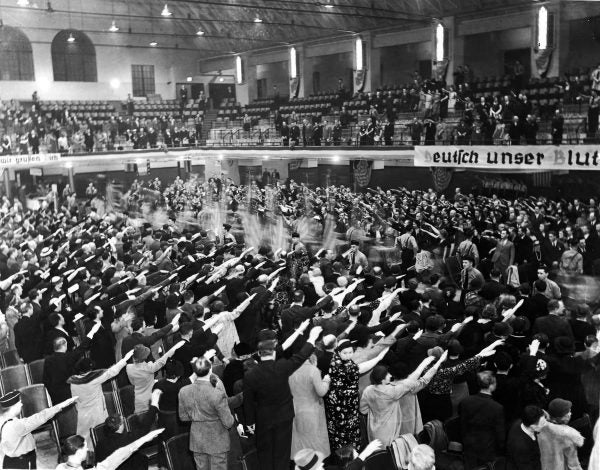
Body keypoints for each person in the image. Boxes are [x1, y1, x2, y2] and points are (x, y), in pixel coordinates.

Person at [243, 326, 322, 470]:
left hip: (263, 418)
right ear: (273, 353)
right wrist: (312, 337)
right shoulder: (282, 366)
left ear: (259, 354)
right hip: (284, 416)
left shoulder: (250, 375)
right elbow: (301, 356)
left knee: (265, 452)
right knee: (282, 452)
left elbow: (248, 401)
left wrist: (249, 423)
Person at [360, 353, 447, 446]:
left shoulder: (369, 390)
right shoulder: (397, 390)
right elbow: (421, 380)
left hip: (376, 431)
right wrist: (435, 362)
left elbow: (363, 410)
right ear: (383, 380)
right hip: (402, 428)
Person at [325, 338, 389, 452]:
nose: (348, 355)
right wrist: (378, 358)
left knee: (343, 427)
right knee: (344, 427)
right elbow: (360, 368)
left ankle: (345, 452)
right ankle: (346, 454)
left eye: (350, 352)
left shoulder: (337, 360)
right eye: (345, 353)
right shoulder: (341, 365)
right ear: (339, 352)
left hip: (344, 401)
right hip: (341, 402)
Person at [68, 349, 134, 446]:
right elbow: (113, 371)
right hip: (97, 414)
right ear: (90, 370)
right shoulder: (94, 379)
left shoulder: (73, 382)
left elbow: (75, 400)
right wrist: (125, 359)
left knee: (84, 444)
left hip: (83, 415)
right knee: (100, 441)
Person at [178, 355, 234, 470]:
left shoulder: (183, 391)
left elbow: (183, 417)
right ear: (210, 369)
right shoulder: (217, 393)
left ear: (195, 371)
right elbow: (228, 422)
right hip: (217, 440)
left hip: (197, 440)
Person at [0, 391, 77, 469]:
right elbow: (40, 417)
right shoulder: (16, 425)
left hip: (9, 461)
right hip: (23, 462)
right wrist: (61, 405)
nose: (21, 404)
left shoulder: (3, 420)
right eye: (19, 403)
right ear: (13, 407)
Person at [458, 371, 505, 469]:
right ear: (491, 386)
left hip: (468, 445)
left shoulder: (466, 402)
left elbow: (462, 425)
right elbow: (500, 433)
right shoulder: (497, 408)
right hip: (488, 448)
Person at [56, 429, 164, 470]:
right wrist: (144, 439)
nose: (88, 448)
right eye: (85, 447)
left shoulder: (60, 467)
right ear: (79, 452)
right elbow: (118, 456)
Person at [289, 354, 331, 459]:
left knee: (301, 442)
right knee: (315, 443)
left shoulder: (290, 369)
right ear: (313, 359)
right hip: (312, 410)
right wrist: (326, 381)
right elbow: (321, 392)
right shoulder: (313, 370)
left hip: (295, 409)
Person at [126, 340, 186, 413]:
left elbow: (133, 382)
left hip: (138, 401)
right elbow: (163, 359)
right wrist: (176, 347)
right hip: (150, 400)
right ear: (145, 357)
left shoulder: (128, 367)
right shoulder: (150, 367)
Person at [537, 398, 584, 470]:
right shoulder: (568, 435)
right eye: (568, 412)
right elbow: (573, 464)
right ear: (561, 417)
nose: (570, 414)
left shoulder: (540, 428)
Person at [506, 405, 547, 470]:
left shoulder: (522, 421)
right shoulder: (521, 446)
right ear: (533, 426)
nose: (545, 424)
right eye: (543, 424)